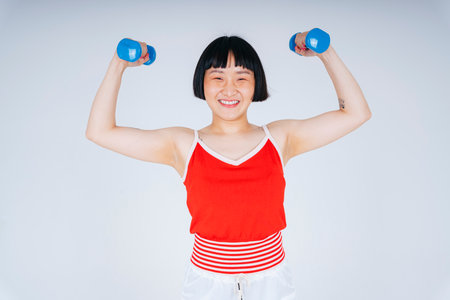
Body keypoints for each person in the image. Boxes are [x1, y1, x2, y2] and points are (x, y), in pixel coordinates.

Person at [85, 30, 372, 300]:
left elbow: (355, 113)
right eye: (218, 77)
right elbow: (100, 131)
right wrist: (119, 63)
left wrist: (326, 52)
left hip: (270, 280)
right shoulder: (183, 145)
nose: (229, 89)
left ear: (256, 83)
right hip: (207, 283)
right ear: (202, 82)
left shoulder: (279, 138)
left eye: (241, 77)